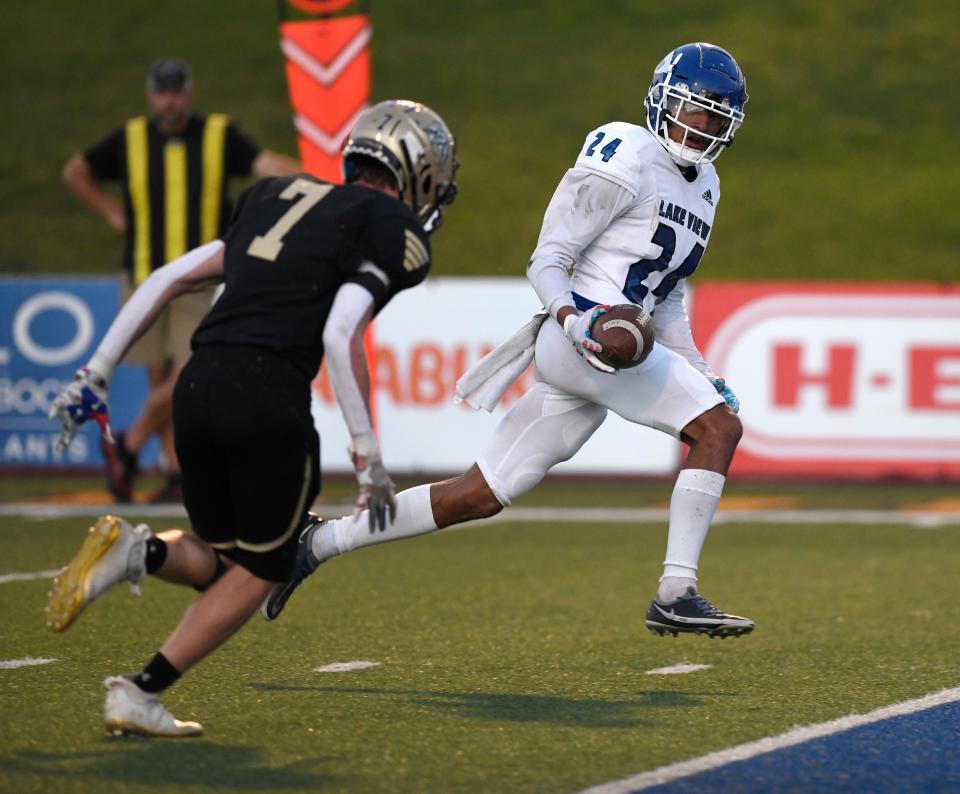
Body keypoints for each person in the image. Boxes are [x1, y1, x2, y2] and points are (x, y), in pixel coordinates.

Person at [263, 42, 755, 640]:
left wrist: (700, 369)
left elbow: (666, 297)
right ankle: (677, 590)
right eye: (693, 109)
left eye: (715, 117)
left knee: (479, 494)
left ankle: (315, 544)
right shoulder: (626, 150)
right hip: (582, 337)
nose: (701, 127)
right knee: (718, 429)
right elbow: (549, 259)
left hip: (614, 349)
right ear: (662, 100)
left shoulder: (707, 186)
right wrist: (577, 322)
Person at [46, 99, 459, 737]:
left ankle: (138, 551)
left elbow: (168, 277)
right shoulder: (390, 227)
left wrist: (94, 373)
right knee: (267, 569)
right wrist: (369, 456)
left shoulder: (277, 194)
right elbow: (341, 329)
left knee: (221, 562)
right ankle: (138, 691)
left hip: (197, 383)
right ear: (417, 172)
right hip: (266, 395)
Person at [62, 57, 301, 504]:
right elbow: (75, 171)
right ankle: (176, 472)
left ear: (188, 92)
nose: (170, 99)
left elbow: (266, 163)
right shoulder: (130, 139)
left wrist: (314, 176)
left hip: (200, 277)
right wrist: (110, 211)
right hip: (144, 274)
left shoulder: (217, 135)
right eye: (163, 91)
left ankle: (128, 447)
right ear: (153, 95)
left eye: (177, 90)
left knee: (191, 372)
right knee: (163, 385)